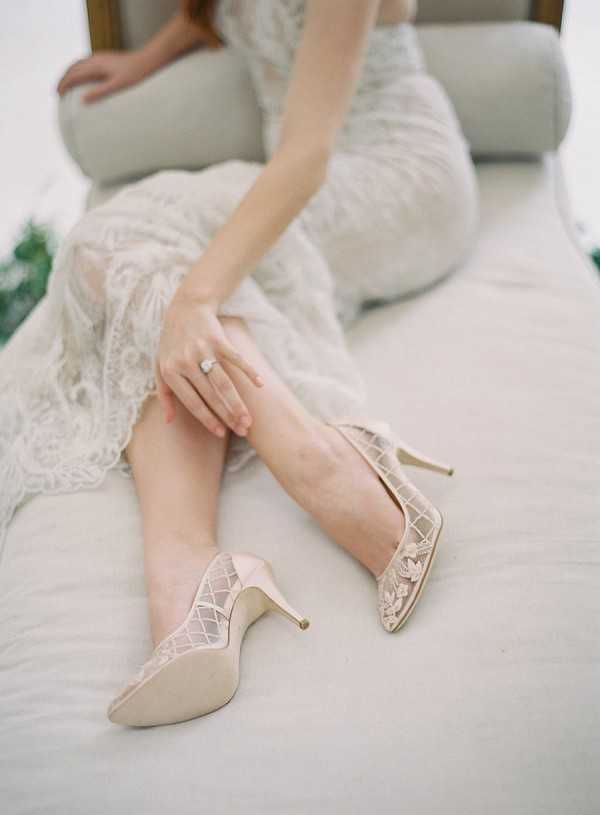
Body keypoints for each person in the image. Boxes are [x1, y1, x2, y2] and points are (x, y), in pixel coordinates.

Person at [0, 0, 478, 726]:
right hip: (297, 180)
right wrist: (148, 57)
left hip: (390, 179)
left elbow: (308, 155)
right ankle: (193, 582)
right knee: (141, 279)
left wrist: (198, 297)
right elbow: (209, 16)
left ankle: (318, 459)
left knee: (127, 250)